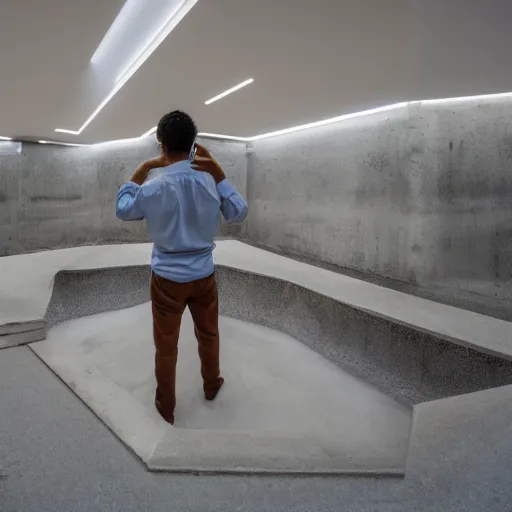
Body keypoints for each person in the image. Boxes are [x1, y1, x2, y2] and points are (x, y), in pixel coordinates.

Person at [116, 110, 248, 425]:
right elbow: (239, 212)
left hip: (166, 280)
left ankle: (166, 407)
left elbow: (123, 209)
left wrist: (142, 169)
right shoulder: (210, 183)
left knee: (166, 347)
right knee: (210, 334)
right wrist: (219, 173)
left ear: (161, 145)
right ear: (194, 145)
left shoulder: (153, 186)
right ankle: (212, 384)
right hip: (203, 275)